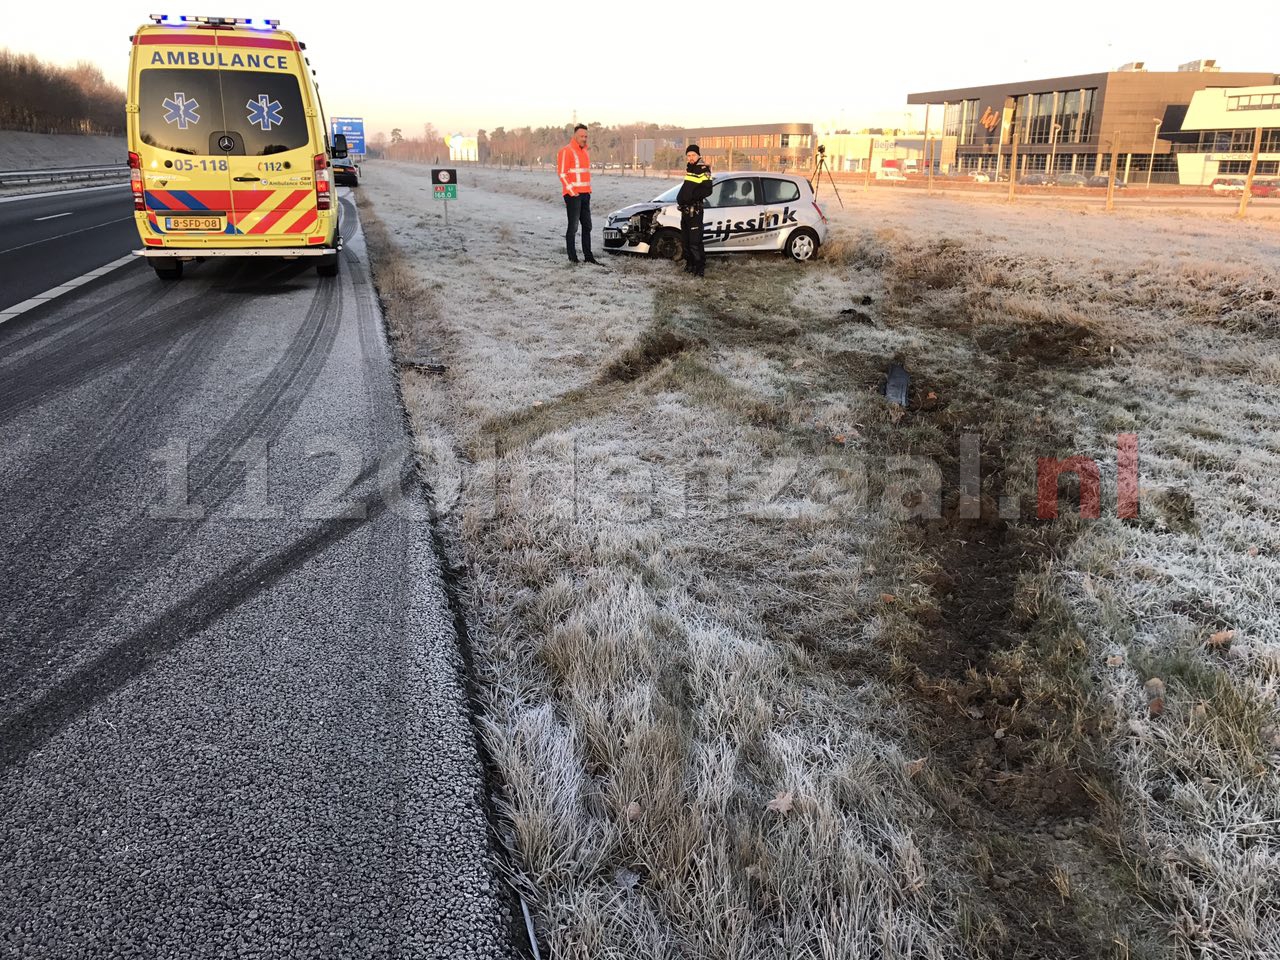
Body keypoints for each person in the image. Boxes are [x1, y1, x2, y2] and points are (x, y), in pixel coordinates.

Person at [557, 124, 602, 265]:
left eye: (586, 136)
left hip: (585, 194)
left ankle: (588, 257)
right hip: (573, 196)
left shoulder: (585, 152)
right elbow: (562, 174)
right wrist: (573, 192)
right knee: (573, 227)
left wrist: (587, 191)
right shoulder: (566, 151)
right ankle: (573, 258)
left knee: (587, 226)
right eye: (581, 136)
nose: (584, 138)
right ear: (575, 136)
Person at [677, 145, 713, 277]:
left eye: (693, 155)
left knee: (695, 242)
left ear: (698, 155)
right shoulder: (690, 169)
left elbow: (707, 190)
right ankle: (690, 264)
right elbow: (687, 189)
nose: (690, 158)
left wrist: (691, 198)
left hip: (695, 211)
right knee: (686, 241)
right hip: (686, 212)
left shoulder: (703, 169)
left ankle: (699, 268)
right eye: (688, 155)